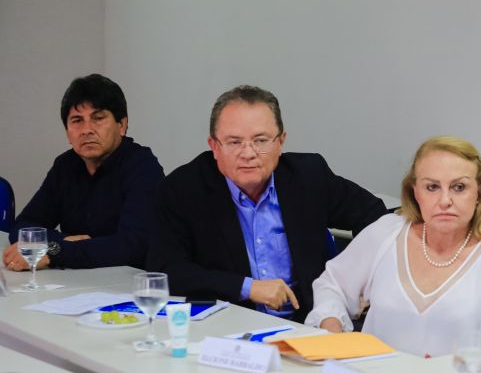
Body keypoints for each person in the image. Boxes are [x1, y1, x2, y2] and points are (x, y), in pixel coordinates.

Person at [147, 85, 386, 323]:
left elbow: (376, 217)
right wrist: (247, 287)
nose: (248, 153)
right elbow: (166, 269)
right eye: (234, 142)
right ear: (214, 147)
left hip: (310, 325)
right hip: (230, 328)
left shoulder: (309, 176)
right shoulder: (183, 189)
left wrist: (359, 281)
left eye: (260, 140)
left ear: (280, 142)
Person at [306, 136, 481, 357]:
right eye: (432, 187)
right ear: (415, 192)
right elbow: (332, 285)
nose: (445, 200)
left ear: (479, 192)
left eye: (459, 187)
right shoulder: (386, 233)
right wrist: (332, 329)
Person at [3, 74, 164, 270]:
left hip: (124, 284)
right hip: (75, 282)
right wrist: (64, 242)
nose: (87, 130)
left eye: (98, 118)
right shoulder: (65, 165)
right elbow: (24, 227)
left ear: (121, 125)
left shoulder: (143, 167)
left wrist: (55, 250)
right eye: (77, 120)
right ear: (67, 132)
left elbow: (132, 246)